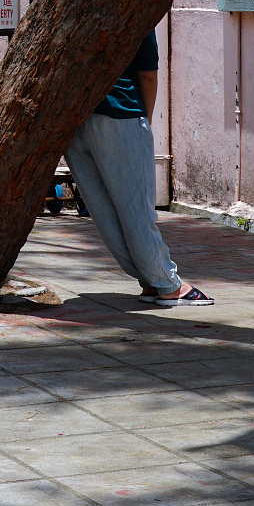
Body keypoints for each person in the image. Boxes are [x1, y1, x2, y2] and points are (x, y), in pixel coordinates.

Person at [65, 30, 213, 307]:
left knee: (104, 212)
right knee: (136, 210)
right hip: (120, 113)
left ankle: (150, 280)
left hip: (73, 118)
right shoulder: (138, 9)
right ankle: (167, 284)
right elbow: (147, 75)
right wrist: (142, 121)